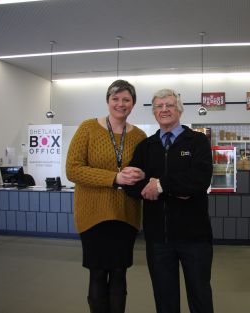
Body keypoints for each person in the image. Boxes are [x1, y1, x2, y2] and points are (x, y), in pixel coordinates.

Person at [125, 89, 214, 313]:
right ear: (154, 112)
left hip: (195, 238)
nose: (164, 109)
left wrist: (160, 185)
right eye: (159, 106)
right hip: (158, 238)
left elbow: (198, 181)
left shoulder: (197, 141)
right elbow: (132, 184)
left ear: (179, 110)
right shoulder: (146, 147)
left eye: (169, 105)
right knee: (165, 299)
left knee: (200, 295)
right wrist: (172, 188)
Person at [66, 79, 146, 313]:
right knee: (98, 273)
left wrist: (141, 173)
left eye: (126, 99)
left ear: (133, 104)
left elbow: (144, 171)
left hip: (126, 215)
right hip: (93, 216)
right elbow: (73, 169)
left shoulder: (139, 135)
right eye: (116, 99)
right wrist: (114, 178)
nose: (121, 104)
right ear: (108, 101)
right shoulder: (88, 128)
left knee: (120, 273)